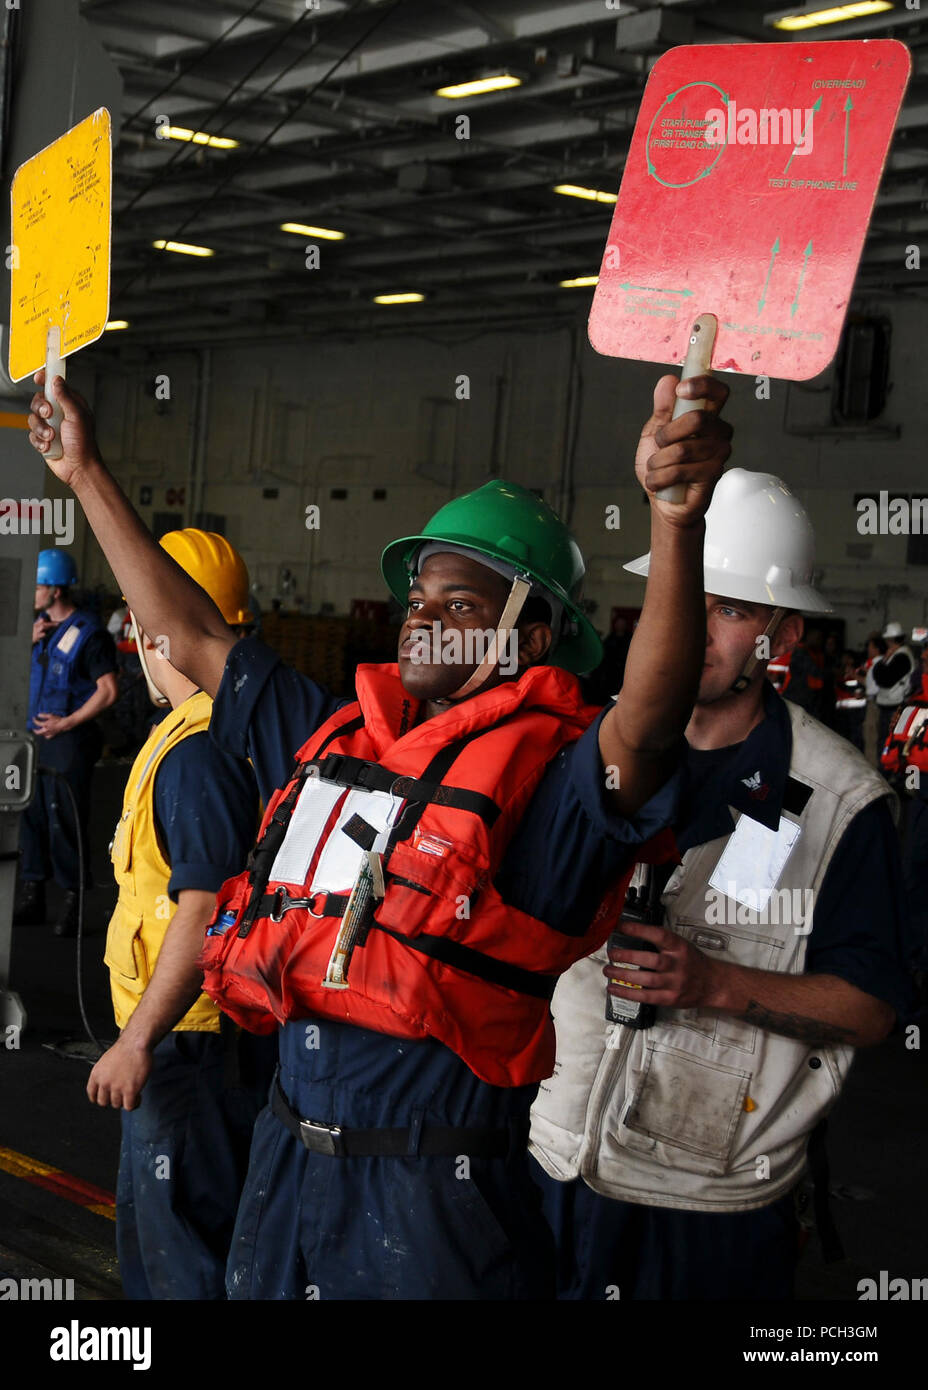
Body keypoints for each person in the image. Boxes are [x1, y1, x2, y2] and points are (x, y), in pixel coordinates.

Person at [29, 365, 731, 1301]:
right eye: (417, 603)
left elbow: (645, 723)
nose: (423, 624)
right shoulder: (331, 741)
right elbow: (191, 633)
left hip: (430, 1199)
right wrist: (84, 475)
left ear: (524, 642)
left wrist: (675, 526)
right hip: (286, 1166)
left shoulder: (552, 794)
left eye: (460, 609)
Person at [529, 468, 916, 1301]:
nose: (696, 632)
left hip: (706, 1204)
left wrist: (713, 984)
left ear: (783, 632)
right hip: (553, 1161)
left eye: (732, 610)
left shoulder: (837, 800)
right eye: (686, 597)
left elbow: (872, 1009)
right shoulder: (579, 747)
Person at [85, 528, 277, 1299]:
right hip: (195, 1042)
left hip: (188, 1045)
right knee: (175, 1240)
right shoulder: (216, 728)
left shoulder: (199, 752)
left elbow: (204, 908)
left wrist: (135, 1042)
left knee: (178, 1258)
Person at [15, 548, 118, 935]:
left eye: (39, 586)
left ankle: (73, 901)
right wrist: (26, 640)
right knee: (32, 817)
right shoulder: (37, 627)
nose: (34, 593)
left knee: (63, 818)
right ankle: (33, 894)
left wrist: (68, 722)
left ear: (56, 590)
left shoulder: (89, 634)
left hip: (68, 741)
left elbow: (108, 691)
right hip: (33, 738)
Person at [873, 621, 917, 756]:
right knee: (885, 742)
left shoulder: (901, 657)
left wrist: (881, 662)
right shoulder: (898, 655)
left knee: (888, 744)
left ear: (890, 640)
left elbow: (884, 680)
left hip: (894, 707)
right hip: (890, 706)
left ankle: (887, 772)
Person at [780, 624, 825, 720]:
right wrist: (831, 673)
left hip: (810, 697)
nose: (820, 641)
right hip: (797, 696)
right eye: (817, 638)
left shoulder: (816, 653)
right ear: (809, 637)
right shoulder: (800, 651)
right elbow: (813, 671)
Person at [859, 634, 887, 766]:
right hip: (875, 703)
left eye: (870, 647)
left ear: (876, 649)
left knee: (871, 737)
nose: (868, 650)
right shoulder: (881, 663)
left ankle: (871, 766)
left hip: (874, 705)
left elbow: (874, 689)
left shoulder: (878, 665)